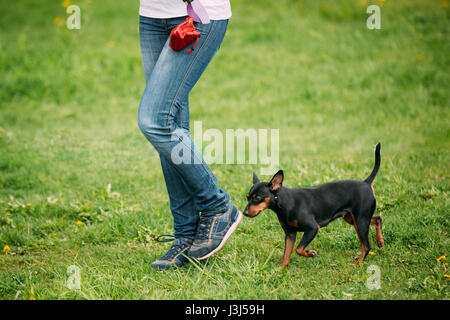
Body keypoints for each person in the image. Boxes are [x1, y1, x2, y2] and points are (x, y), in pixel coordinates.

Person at [138, 0, 242, 270]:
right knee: (170, 124)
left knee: (156, 122)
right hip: (152, 14)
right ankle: (185, 235)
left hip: (197, 14)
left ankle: (217, 207)